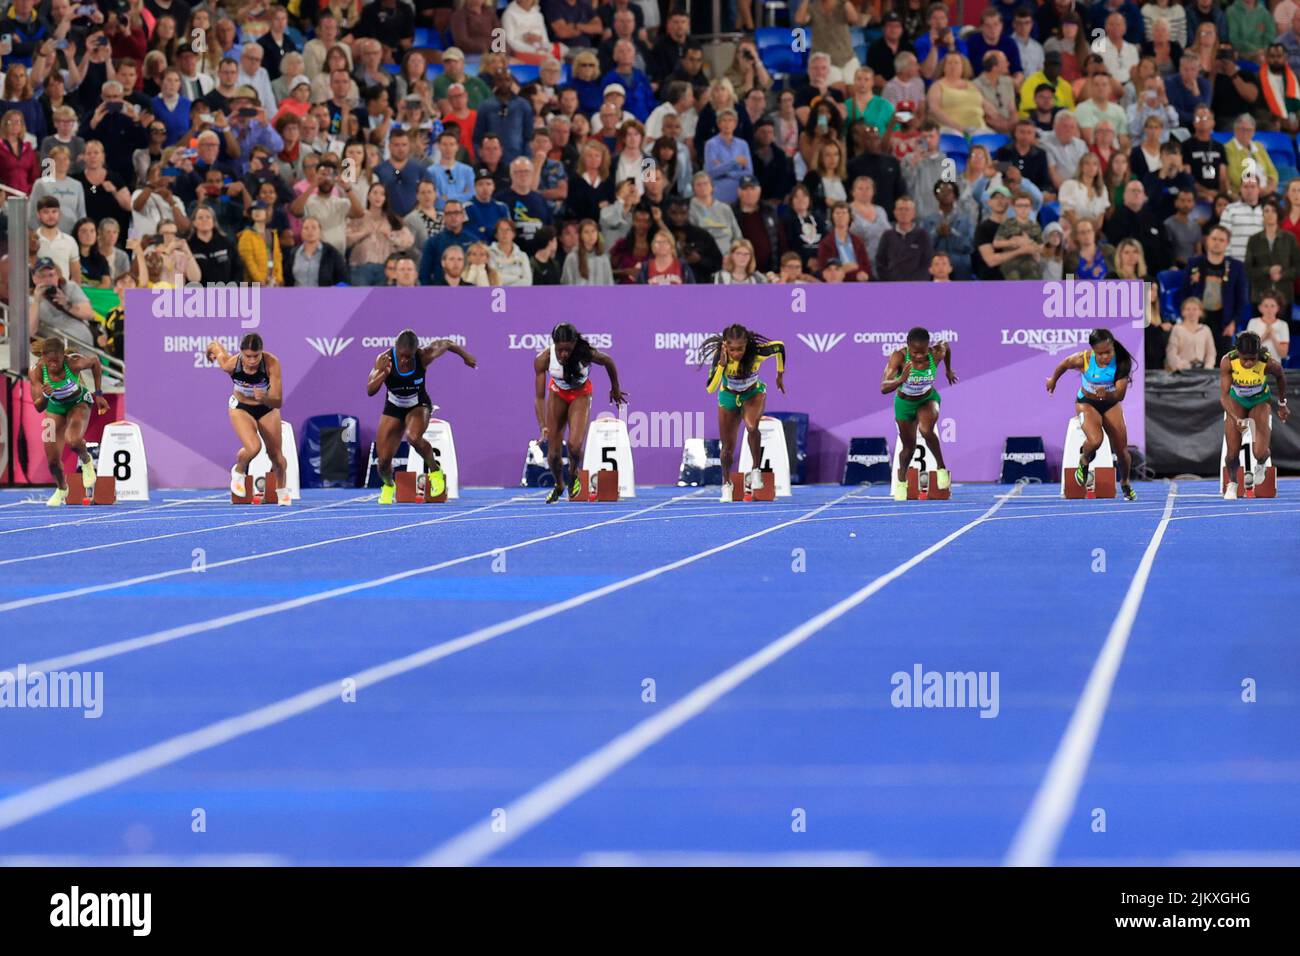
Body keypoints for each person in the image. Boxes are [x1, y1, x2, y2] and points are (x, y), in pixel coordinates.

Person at [366, 329, 478, 505]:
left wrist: (466, 356)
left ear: (415, 352)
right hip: (393, 408)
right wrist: (383, 374)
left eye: (408, 357)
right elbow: (370, 390)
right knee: (383, 462)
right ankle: (389, 486)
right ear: (395, 349)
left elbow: (447, 343)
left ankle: (435, 472)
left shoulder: (423, 356)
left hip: (418, 405)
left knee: (413, 437)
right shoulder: (384, 359)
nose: (404, 360)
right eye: (401, 356)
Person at [533, 323, 627, 503]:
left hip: (580, 394)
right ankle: (559, 485)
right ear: (554, 345)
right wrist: (543, 426)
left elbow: (608, 361)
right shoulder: (543, 359)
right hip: (557, 394)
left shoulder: (585, 353)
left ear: (575, 344)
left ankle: (573, 473)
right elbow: (538, 397)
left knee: (574, 446)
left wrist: (615, 388)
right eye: (560, 350)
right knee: (553, 455)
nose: (564, 355)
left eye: (568, 350)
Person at [1045, 328, 1139, 501]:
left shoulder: (1122, 362)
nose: (1105, 357)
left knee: (1122, 451)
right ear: (1093, 351)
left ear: (1113, 346)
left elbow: (1120, 395)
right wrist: (1053, 380)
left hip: (1110, 403)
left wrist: (1107, 394)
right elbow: (1064, 364)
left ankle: (1125, 483)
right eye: (1100, 353)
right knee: (1096, 440)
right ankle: (1084, 459)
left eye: (1108, 352)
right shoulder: (1084, 359)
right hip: (1087, 403)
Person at [701, 324, 786, 502]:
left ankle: (756, 470)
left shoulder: (758, 352)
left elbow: (779, 347)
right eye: (732, 349)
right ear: (725, 345)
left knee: (751, 426)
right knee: (727, 448)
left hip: (752, 394)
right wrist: (722, 365)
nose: (737, 353)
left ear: (747, 344)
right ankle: (726, 484)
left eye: (740, 349)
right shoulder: (720, 357)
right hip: (728, 397)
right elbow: (710, 388)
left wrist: (779, 374)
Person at [204, 333, 291, 506]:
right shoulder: (231, 365)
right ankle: (238, 472)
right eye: (248, 356)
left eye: (256, 356)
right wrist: (210, 351)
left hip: (267, 408)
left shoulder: (271, 363)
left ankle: (282, 492)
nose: (252, 361)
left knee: (276, 456)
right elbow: (216, 347)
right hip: (241, 408)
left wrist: (264, 397)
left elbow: (278, 401)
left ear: (261, 352)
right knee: (253, 448)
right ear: (241, 353)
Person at [28, 335, 109, 507]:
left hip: (79, 403)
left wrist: (99, 393)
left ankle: (86, 461)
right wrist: (45, 395)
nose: (53, 366)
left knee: (73, 440)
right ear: (43, 358)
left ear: (63, 356)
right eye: (49, 362)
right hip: (55, 408)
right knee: (52, 461)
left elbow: (95, 362)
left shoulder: (73, 362)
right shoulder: (36, 371)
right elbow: (38, 407)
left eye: (57, 361)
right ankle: (61, 488)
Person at [880, 326, 956, 502]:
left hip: (927, 399)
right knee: (908, 448)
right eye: (914, 353)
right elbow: (883, 387)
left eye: (922, 352)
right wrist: (900, 380)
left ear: (928, 346)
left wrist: (948, 370)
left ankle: (941, 468)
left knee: (926, 430)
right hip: (904, 403)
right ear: (907, 347)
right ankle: (901, 481)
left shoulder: (936, 353)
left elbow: (947, 346)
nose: (919, 356)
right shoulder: (898, 357)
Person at [1220, 331, 1289, 498]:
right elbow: (1224, 395)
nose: (1249, 363)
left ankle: (1261, 464)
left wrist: (1281, 404)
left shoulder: (1268, 363)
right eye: (1245, 359)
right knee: (1232, 452)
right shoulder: (1228, 361)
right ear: (1238, 352)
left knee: (1260, 451)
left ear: (1259, 354)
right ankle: (1233, 483)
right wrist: (1236, 418)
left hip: (1260, 401)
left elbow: (1280, 377)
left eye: (1253, 358)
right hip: (1237, 401)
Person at [1165, 295, 1218, 371]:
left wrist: (1208, 368)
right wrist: (1182, 367)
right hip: (1183, 370)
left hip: (1203, 371)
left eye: (1195, 309)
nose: (1191, 312)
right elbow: (1171, 353)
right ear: (1183, 312)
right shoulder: (1177, 329)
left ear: (1200, 312)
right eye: (1188, 309)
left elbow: (1211, 353)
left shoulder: (1205, 330)